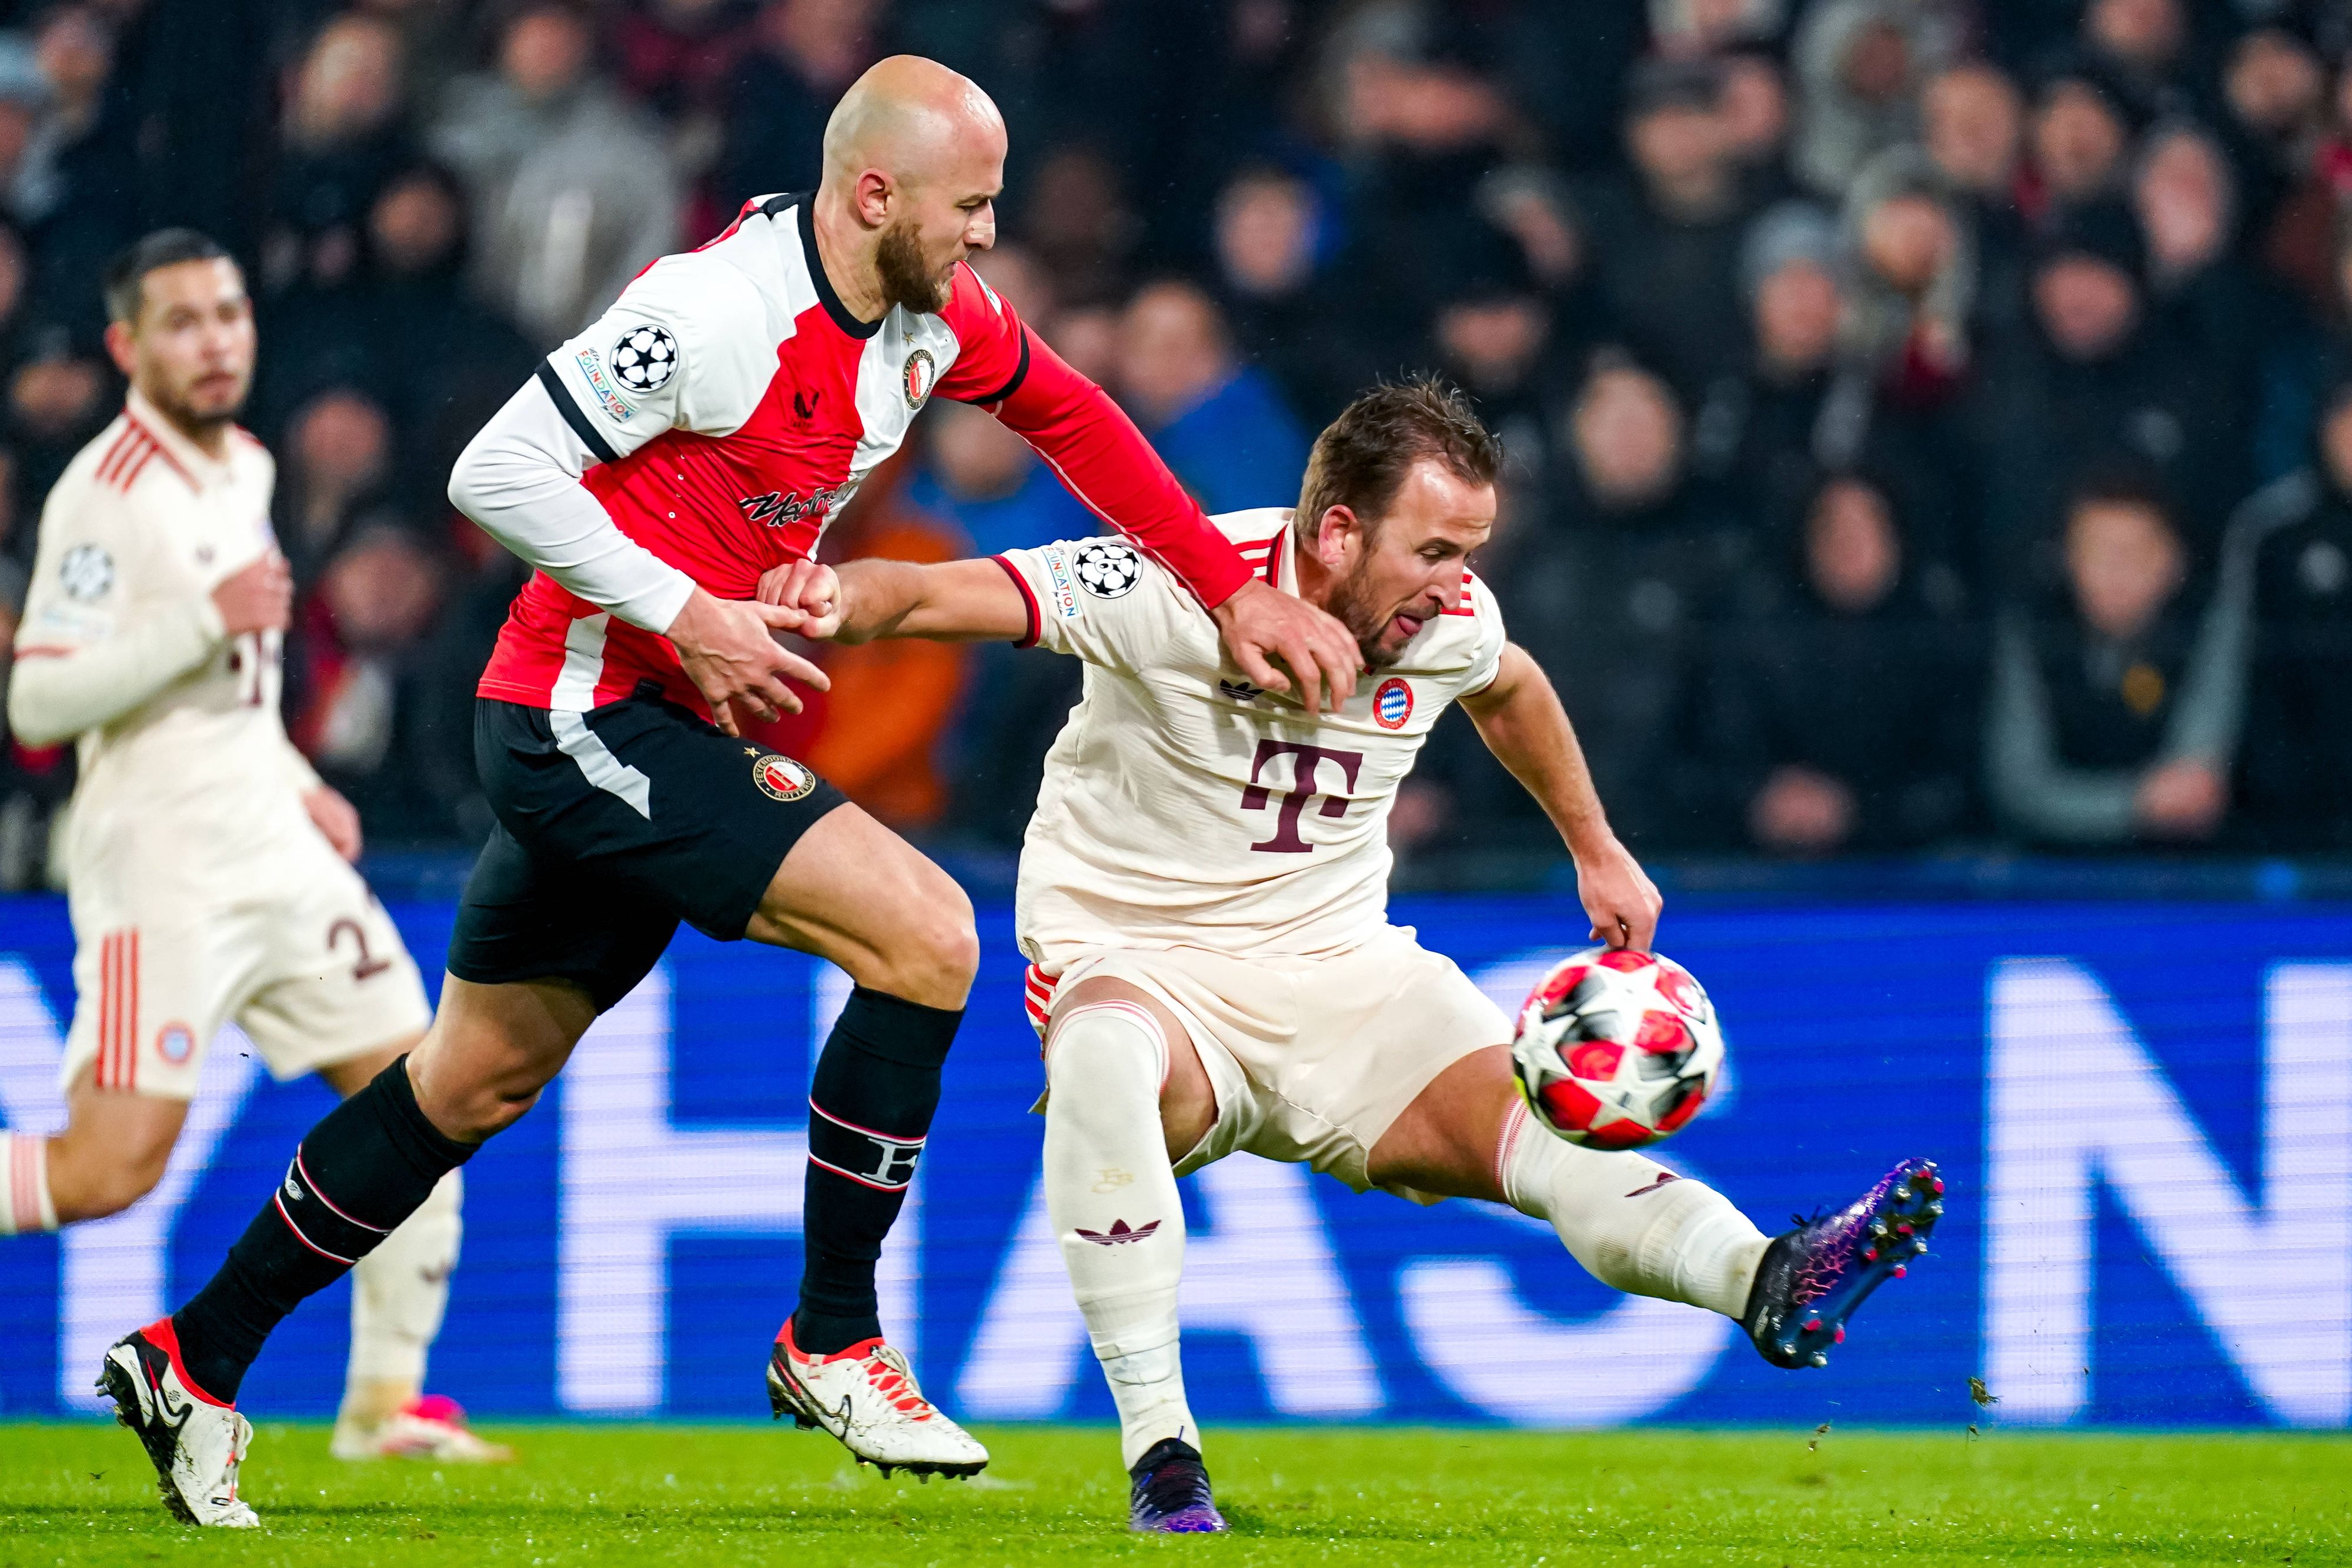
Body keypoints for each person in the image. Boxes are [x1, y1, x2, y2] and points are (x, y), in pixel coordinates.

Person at [94, 56, 1359, 1526]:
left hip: (652, 719)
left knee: (467, 1081)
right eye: (971, 204)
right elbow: (492, 470)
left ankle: (193, 1354)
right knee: (931, 936)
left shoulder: (932, 314)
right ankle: (829, 1334)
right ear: (872, 192)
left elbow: (1076, 421)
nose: (988, 236)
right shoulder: (714, 312)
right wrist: (686, 611)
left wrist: (1225, 590)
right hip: (587, 709)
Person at [774, 379, 1943, 1532]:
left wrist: (1596, 848)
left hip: (1346, 976)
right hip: (1148, 963)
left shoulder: (1449, 622)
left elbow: (1513, 688)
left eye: (1472, 548)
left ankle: (1763, 1274)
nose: (1458, 583)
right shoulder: (1170, 583)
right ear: (1336, 530)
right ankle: (1163, 1458)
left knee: (1536, 1132)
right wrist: (816, 590)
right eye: (1434, 546)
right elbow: (932, 593)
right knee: (1102, 1054)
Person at [2, 232, 502, 1503]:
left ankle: (386, 1403)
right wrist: (197, 620)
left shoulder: (250, 462)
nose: (216, 339)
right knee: (111, 1168)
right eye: (181, 322)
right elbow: (45, 700)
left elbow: (237, 686)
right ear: (128, 347)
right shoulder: (103, 493)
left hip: (268, 838)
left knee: (432, 1084)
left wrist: (296, 778)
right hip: (159, 855)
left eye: (229, 313)